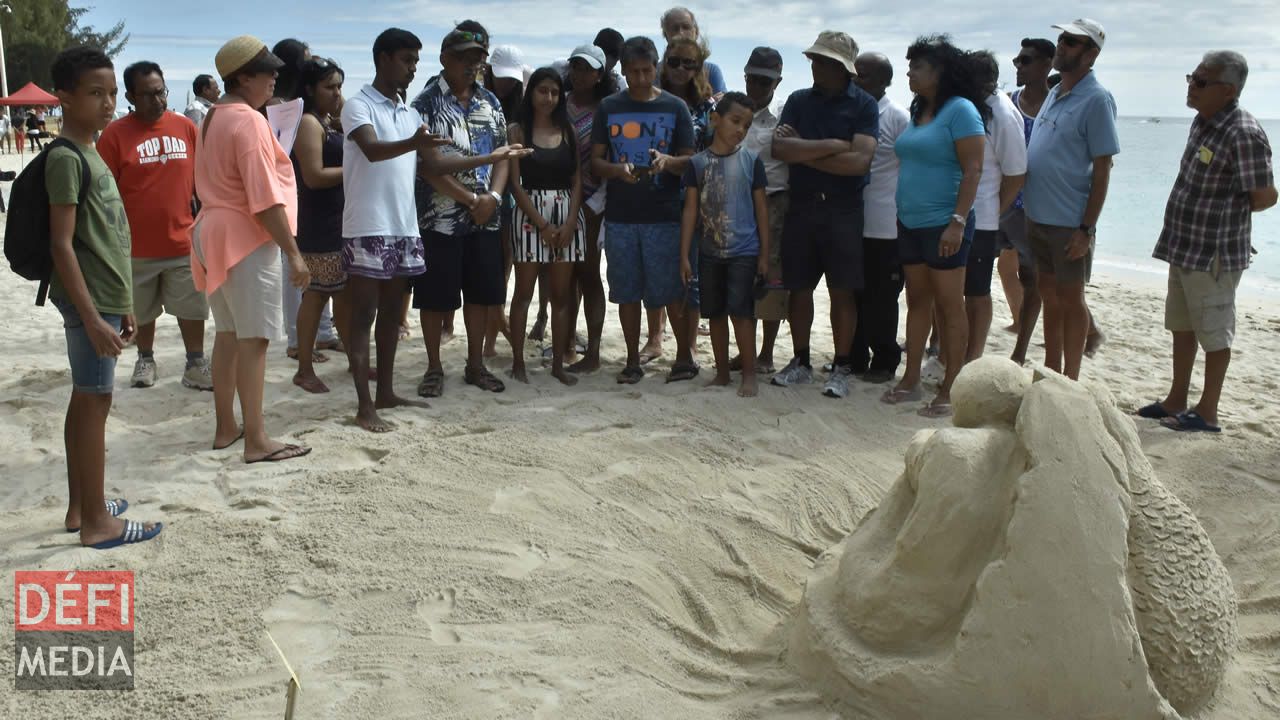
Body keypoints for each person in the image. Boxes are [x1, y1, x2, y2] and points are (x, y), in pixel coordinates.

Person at [47, 46, 163, 548]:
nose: (109, 103)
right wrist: (95, 317)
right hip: (90, 302)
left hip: (109, 299)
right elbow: (61, 244)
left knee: (87, 400)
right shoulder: (67, 158)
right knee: (96, 403)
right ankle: (97, 523)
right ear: (64, 98)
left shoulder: (91, 149)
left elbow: (109, 236)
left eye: (113, 92)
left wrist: (126, 306)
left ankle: (81, 506)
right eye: (95, 93)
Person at [1139, 51, 1276, 433]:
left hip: (1214, 252)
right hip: (1185, 244)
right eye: (1191, 77)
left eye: (1201, 81)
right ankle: (1176, 398)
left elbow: (1264, 196)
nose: (1191, 86)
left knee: (1214, 332)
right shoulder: (1204, 122)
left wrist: (1229, 209)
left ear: (1228, 90)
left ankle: (1208, 410)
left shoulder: (1242, 132)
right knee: (1181, 326)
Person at [193, 35, 312, 463]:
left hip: (212, 231)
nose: (275, 77)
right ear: (244, 77)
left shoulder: (212, 116)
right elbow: (263, 197)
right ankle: (257, 439)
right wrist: (294, 252)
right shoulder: (247, 120)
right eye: (267, 71)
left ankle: (227, 426)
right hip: (241, 234)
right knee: (255, 339)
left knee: (228, 334)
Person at [412, 24, 530, 397]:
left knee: (482, 294)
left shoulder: (490, 102)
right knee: (435, 297)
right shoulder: (425, 103)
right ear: (445, 57)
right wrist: (468, 200)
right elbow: (427, 166)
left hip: (487, 217)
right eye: (464, 58)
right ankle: (434, 367)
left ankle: (475, 365)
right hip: (441, 215)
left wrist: (493, 199)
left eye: (477, 59)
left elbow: (502, 157)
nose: (471, 65)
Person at [341, 28, 447, 431]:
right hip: (368, 226)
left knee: (390, 317)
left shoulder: (410, 114)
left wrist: (492, 157)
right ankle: (364, 406)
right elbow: (371, 150)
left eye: (416, 61)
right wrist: (413, 142)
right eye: (406, 60)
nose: (412, 68)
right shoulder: (358, 105)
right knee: (363, 316)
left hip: (404, 226)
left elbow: (433, 167)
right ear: (383, 58)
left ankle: (385, 392)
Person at [880, 34, 987, 418]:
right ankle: (910, 379)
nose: (909, 71)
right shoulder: (918, 110)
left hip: (945, 223)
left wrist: (957, 223)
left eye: (917, 66)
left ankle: (951, 385)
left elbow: (974, 169)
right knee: (917, 301)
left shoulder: (961, 110)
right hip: (909, 221)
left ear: (939, 72)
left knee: (949, 305)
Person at [769, 30, 878, 399]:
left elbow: (860, 162)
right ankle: (800, 361)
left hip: (843, 210)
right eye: (815, 59)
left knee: (841, 291)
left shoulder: (863, 105)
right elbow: (781, 149)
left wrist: (805, 150)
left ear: (841, 67)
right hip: (802, 206)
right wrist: (833, 146)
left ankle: (842, 365)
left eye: (824, 61)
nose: (815, 66)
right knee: (798, 288)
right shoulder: (799, 100)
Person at [96, 61, 212, 392]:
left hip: (182, 242)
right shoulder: (115, 135)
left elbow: (201, 180)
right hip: (135, 248)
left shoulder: (186, 127)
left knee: (192, 309)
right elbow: (106, 195)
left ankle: (195, 363)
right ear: (131, 96)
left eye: (160, 92)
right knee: (142, 312)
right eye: (147, 95)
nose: (157, 100)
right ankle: (145, 359)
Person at [590, 35, 696, 384]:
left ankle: (683, 357)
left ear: (656, 68)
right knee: (627, 291)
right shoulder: (609, 106)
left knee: (668, 291)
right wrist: (617, 170)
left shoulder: (675, 107)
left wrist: (668, 161)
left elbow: (691, 161)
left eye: (647, 71)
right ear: (622, 70)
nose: (639, 79)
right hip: (620, 215)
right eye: (632, 72)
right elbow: (595, 162)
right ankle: (632, 360)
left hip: (664, 215)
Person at [1023, 18, 1119, 380]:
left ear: (1091, 53)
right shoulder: (1055, 91)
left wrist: (1086, 228)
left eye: (1072, 42)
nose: (1061, 45)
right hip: (1038, 215)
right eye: (1061, 38)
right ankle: (1052, 370)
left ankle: (1072, 377)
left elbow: (1103, 168)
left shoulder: (1096, 99)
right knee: (1049, 294)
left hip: (1068, 220)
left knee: (1071, 297)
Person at [679, 92, 770, 397]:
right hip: (708, 252)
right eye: (735, 121)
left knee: (742, 314)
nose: (740, 130)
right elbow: (690, 210)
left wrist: (764, 255)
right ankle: (721, 373)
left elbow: (761, 211)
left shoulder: (751, 162)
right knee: (714, 313)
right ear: (715, 119)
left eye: (746, 125)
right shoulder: (697, 163)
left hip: (744, 251)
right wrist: (684, 255)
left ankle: (748, 373)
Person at [507, 67, 586, 386]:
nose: (549, 98)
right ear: (531, 93)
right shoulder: (517, 131)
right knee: (523, 293)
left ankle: (557, 364)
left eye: (555, 92)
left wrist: (569, 222)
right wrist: (541, 223)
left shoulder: (568, 130)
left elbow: (578, 180)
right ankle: (517, 363)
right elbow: (514, 183)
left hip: (567, 213)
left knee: (561, 295)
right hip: (529, 214)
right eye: (543, 91)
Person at [290, 57, 350, 394]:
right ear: (311, 89)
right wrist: (356, 169)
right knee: (315, 297)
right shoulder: (309, 123)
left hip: (338, 217)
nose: (337, 93)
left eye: (339, 86)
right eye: (329, 86)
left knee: (342, 294)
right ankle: (304, 367)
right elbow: (313, 176)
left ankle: (350, 358)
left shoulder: (328, 121)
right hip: (318, 220)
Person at [851, 51, 911, 384]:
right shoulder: (852, 113)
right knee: (853, 293)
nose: (856, 81)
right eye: (854, 74)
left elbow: (911, 166)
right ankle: (855, 357)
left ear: (885, 82)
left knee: (883, 298)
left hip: (887, 225)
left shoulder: (898, 118)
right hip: (852, 221)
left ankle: (885, 360)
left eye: (865, 76)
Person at [965, 51, 1027, 362]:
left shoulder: (1001, 112)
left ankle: (973, 356)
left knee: (976, 292)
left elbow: (1016, 174)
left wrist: (995, 211)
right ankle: (956, 352)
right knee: (957, 290)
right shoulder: (975, 108)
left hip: (983, 220)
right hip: (961, 216)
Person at [562, 44, 614, 374]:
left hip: (593, 203)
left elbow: (608, 159)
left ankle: (592, 352)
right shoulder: (559, 104)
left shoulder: (606, 110)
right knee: (562, 279)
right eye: (576, 67)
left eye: (588, 69)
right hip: (555, 202)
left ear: (599, 75)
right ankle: (566, 345)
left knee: (589, 275)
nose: (580, 74)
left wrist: (596, 204)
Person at [1004, 37, 1054, 364]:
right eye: (1017, 60)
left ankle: (1020, 352)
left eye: (1026, 61)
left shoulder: (1057, 106)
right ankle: (938, 343)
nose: (1017, 66)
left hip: (1039, 206)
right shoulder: (1008, 103)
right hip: (1003, 201)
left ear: (1047, 64)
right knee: (966, 269)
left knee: (1032, 278)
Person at [739, 47, 788, 375]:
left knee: (770, 277)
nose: (757, 86)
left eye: (765, 81)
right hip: (738, 202)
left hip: (774, 203)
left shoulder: (784, 118)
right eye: (753, 79)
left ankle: (767, 354)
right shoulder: (733, 111)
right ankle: (745, 351)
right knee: (741, 275)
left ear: (777, 81)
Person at [659, 7, 726, 94]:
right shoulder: (655, 72)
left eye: (686, 27)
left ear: (696, 32)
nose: (681, 33)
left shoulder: (711, 71)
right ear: (665, 34)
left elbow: (723, 103)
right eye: (675, 28)